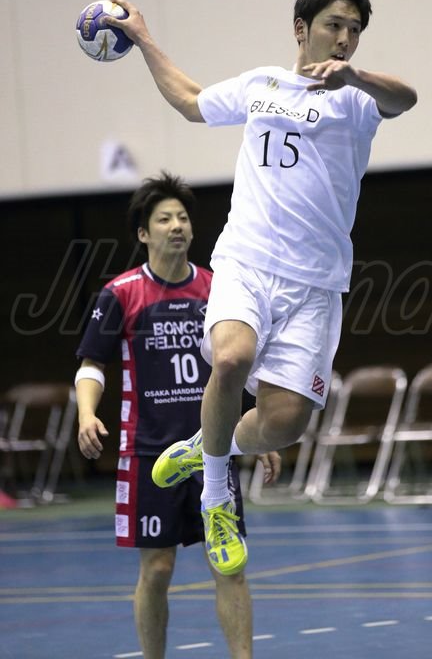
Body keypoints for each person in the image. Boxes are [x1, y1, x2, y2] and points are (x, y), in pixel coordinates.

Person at [106, 0, 418, 577]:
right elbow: (191, 101)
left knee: (283, 424)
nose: (344, 38)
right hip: (247, 261)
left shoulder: (357, 101)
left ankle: (204, 444)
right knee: (230, 359)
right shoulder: (262, 85)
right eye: (334, 25)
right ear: (302, 28)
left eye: (354, 29)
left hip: (316, 285)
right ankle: (216, 496)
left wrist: (355, 76)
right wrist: (142, 39)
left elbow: (405, 98)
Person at [75, 172, 281, 659]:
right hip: (148, 451)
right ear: (143, 233)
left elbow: (241, 366)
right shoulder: (121, 293)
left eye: (183, 218)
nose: (176, 226)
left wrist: (261, 429)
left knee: (229, 565)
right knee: (158, 569)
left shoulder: (218, 289)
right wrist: (86, 413)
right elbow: (91, 364)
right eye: (164, 219)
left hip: (214, 449)